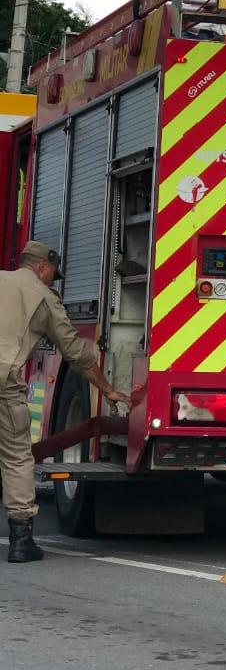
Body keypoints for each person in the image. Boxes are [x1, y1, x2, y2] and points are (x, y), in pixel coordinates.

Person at [0, 241, 127, 563]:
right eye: (53, 274)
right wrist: (109, 390)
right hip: (4, 385)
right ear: (42, 266)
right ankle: (20, 540)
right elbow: (76, 353)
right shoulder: (43, 297)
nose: (52, 279)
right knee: (16, 458)